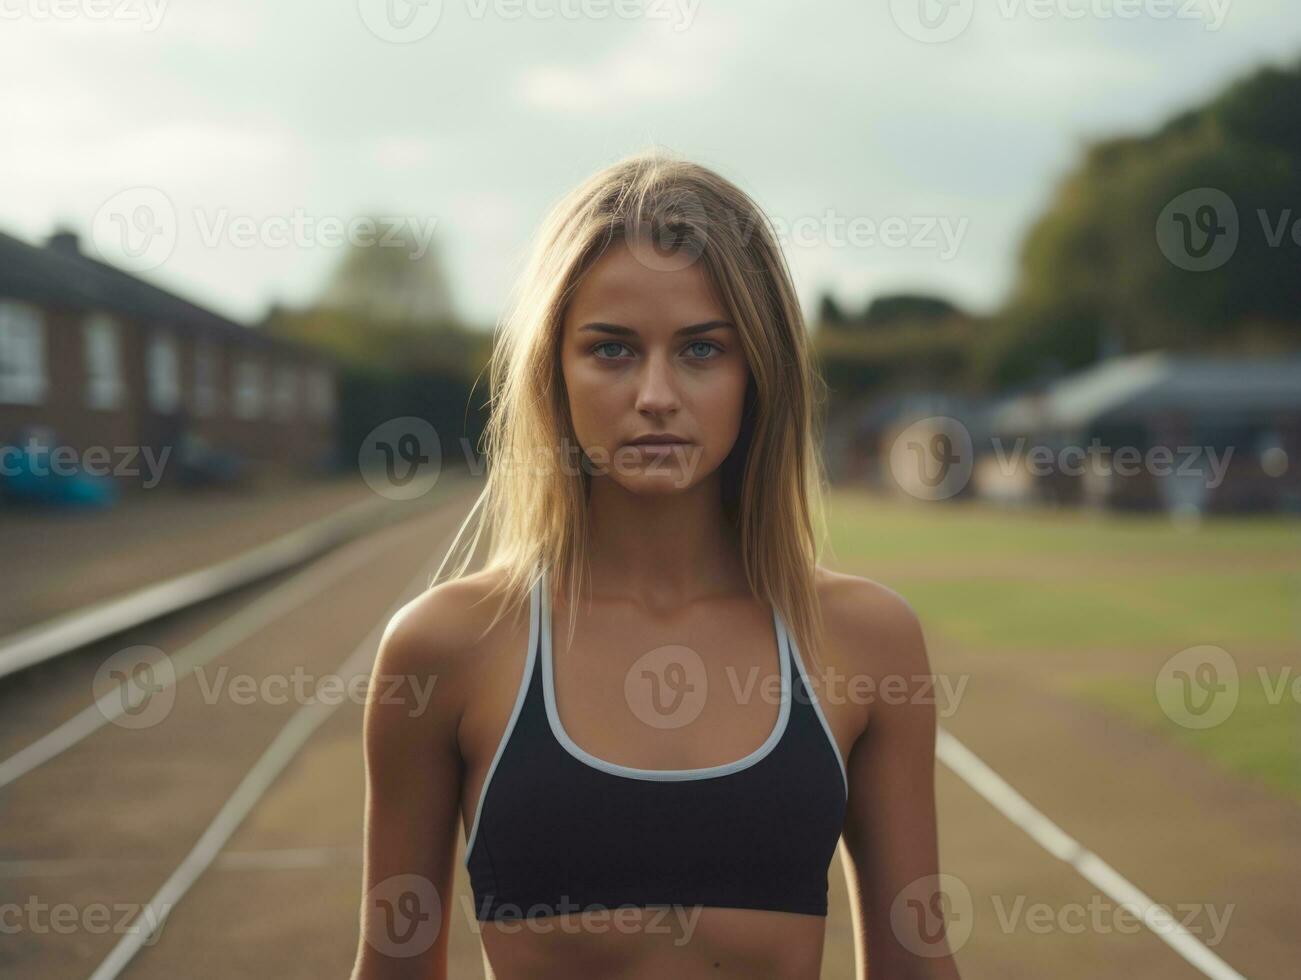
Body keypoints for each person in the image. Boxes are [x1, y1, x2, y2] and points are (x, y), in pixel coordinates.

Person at [349, 151, 962, 980]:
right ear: (550, 372)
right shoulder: (445, 648)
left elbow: (915, 968)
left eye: (702, 351)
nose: (656, 395)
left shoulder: (866, 640)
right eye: (611, 350)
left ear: (760, 371)